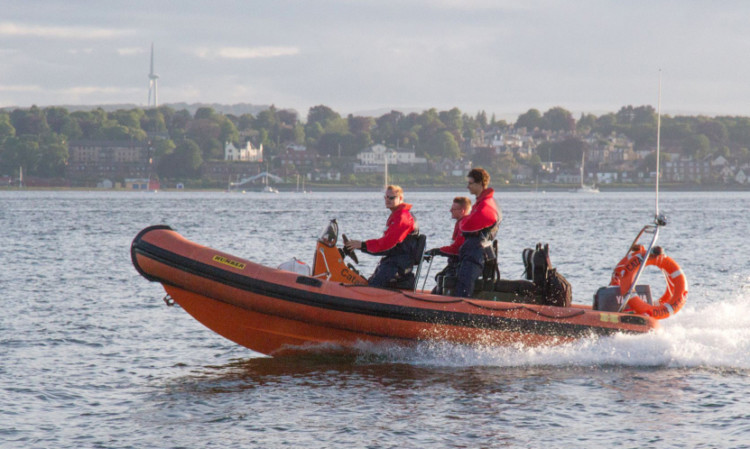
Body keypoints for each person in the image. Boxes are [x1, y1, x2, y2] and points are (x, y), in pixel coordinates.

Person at [345, 185, 419, 287]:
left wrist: (363, 245)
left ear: (400, 198)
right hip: (392, 263)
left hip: (396, 267)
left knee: (371, 289)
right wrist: (361, 246)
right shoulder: (397, 215)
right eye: (386, 197)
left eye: (391, 198)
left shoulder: (403, 217)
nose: (388, 200)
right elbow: (386, 244)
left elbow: (388, 244)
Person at [455, 167, 502, 297]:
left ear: (480, 184)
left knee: (464, 287)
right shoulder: (481, 204)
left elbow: (467, 225)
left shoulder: (486, 205)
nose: (467, 186)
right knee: (462, 282)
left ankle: (460, 312)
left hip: (475, 253)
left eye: (470, 183)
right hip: (473, 251)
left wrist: (462, 222)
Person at [426, 197, 472, 294]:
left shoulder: (465, 224)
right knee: (440, 278)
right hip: (455, 263)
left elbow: (456, 249)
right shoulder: (460, 223)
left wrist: (437, 251)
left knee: (441, 285)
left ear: (462, 211)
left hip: (460, 264)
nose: (450, 210)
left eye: (453, 209)